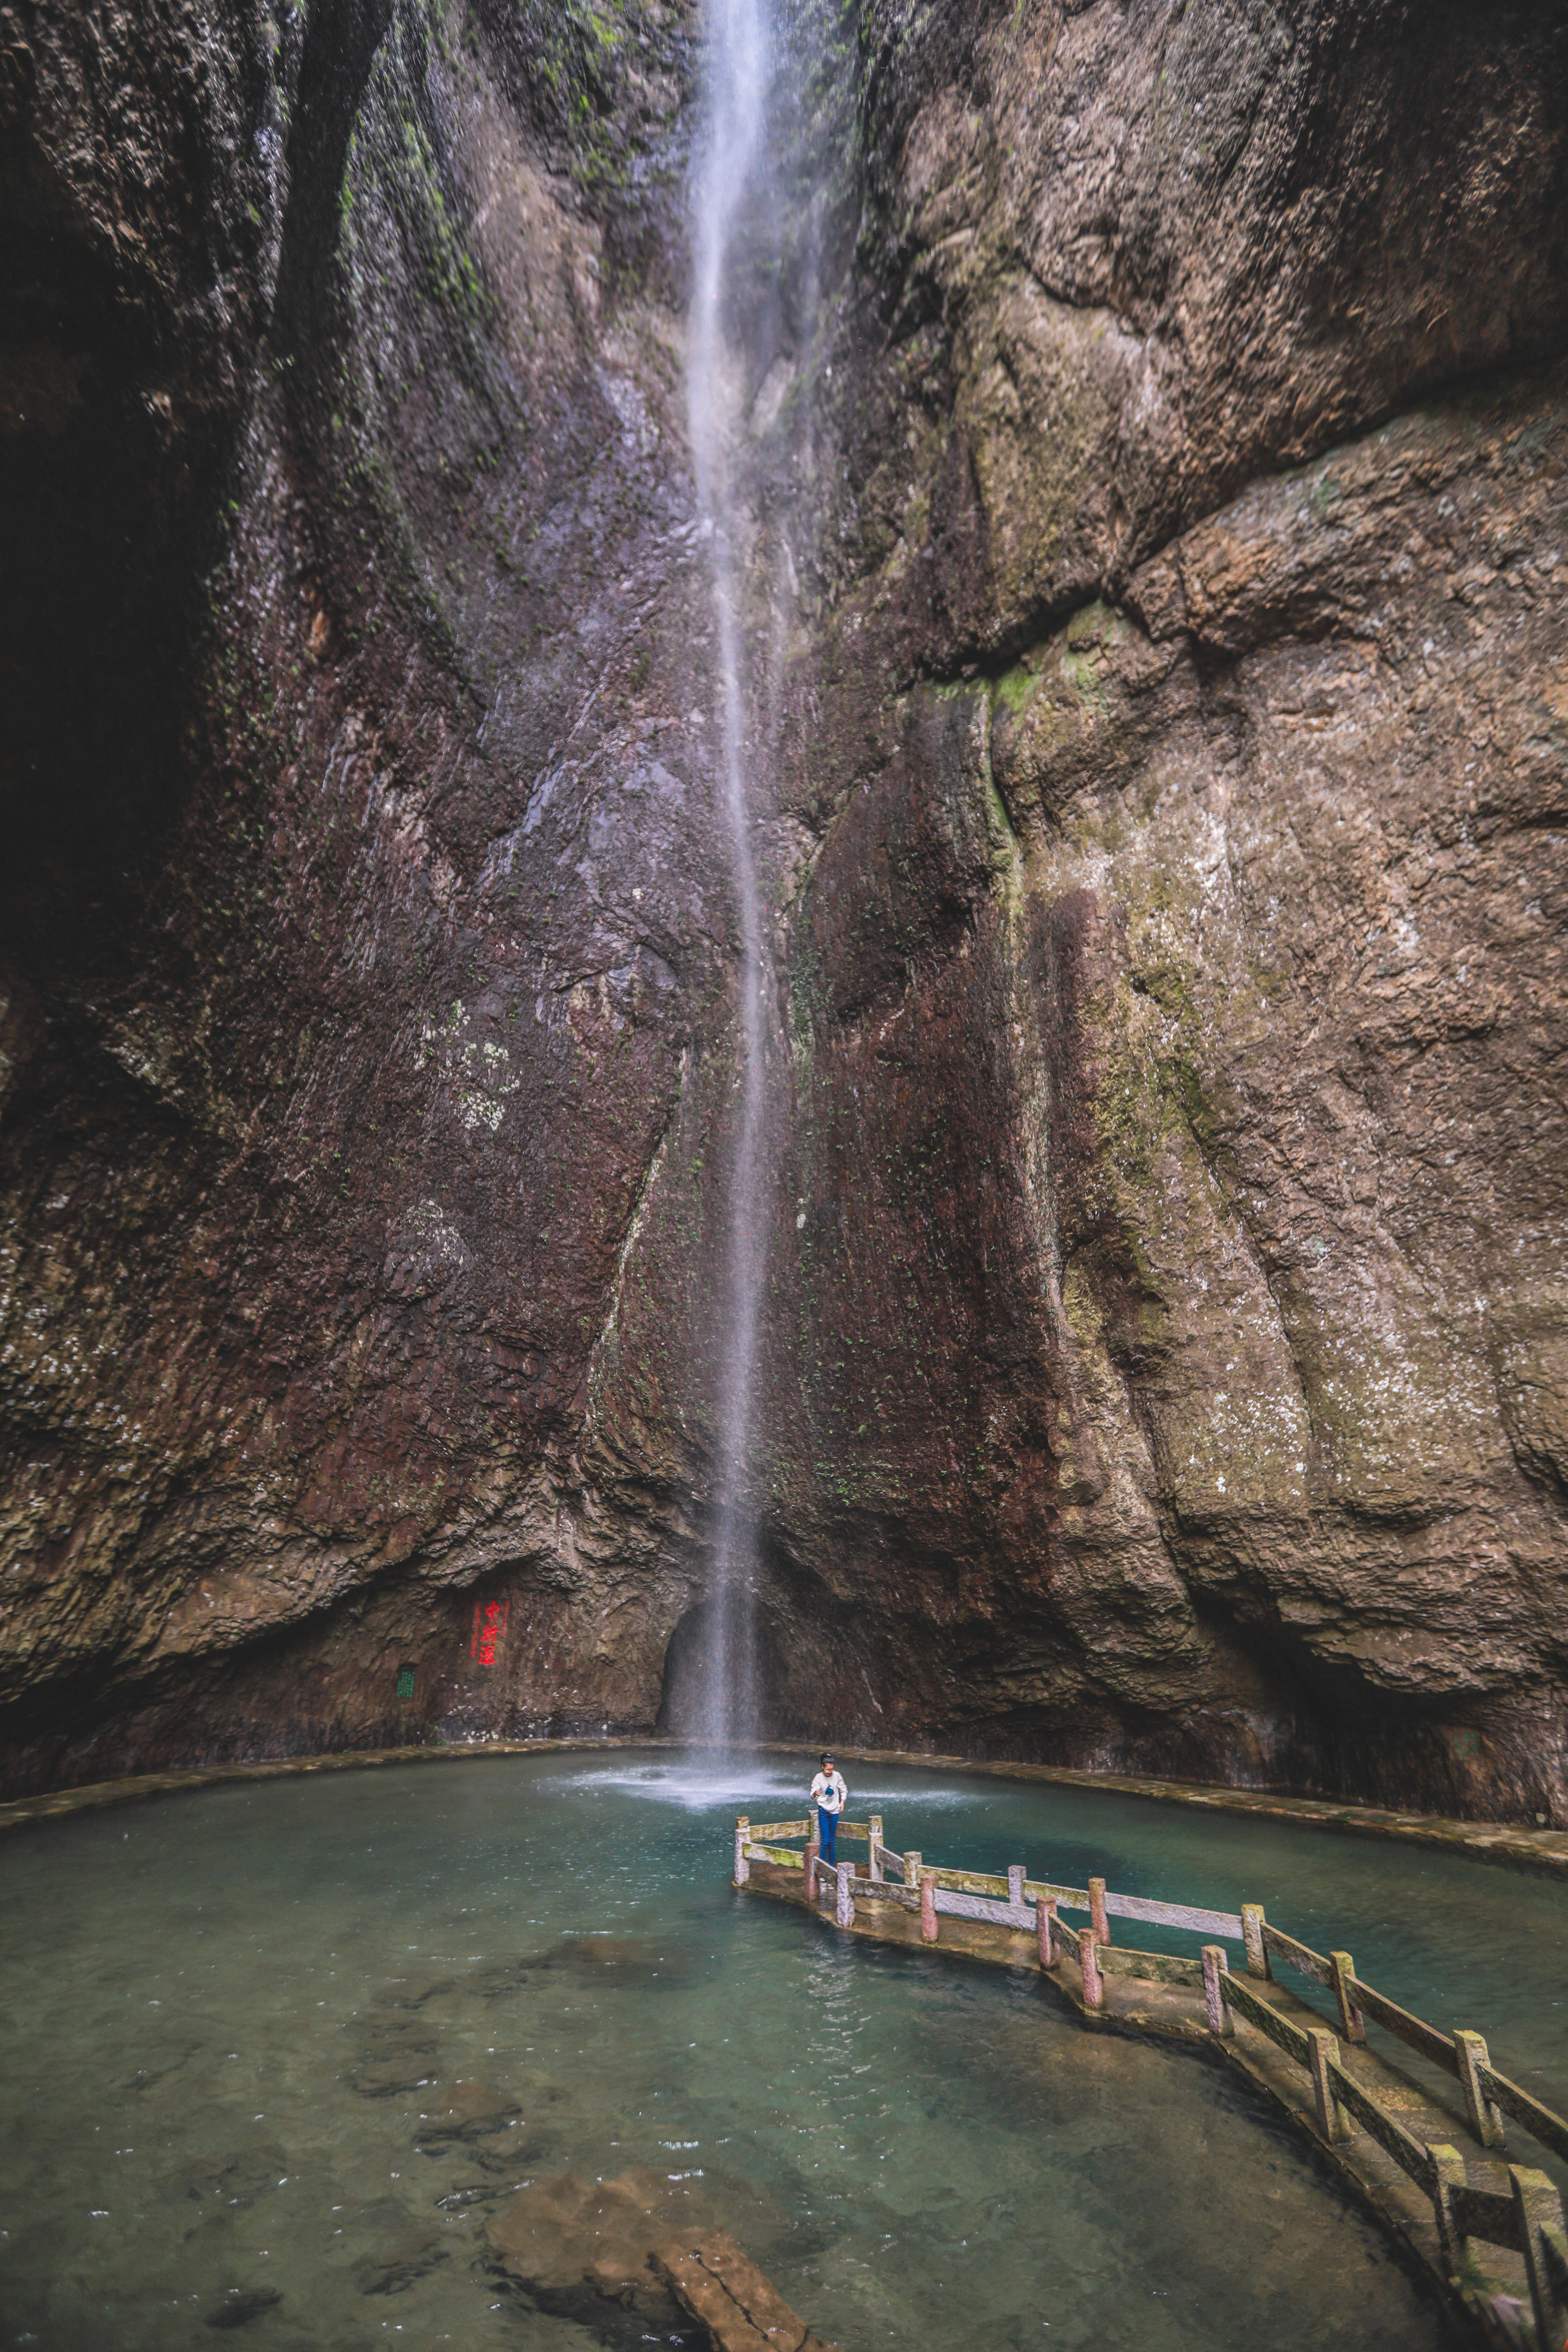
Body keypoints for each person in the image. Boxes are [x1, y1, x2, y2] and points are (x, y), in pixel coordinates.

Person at [809, 1752, 847, 1866]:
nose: (830, 1772)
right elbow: (812, 1794)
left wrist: (842, 1801)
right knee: (825, 1841)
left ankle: (831, 1867)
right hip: (824, 1811)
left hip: (835, 1811)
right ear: (823, 1767)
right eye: (827, 1770)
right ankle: (822, 1868)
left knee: (832, 1841)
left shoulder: (837, 1776)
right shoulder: (818, 1778)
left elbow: (844, 1790)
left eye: (831, 1769)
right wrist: (816, 1793)